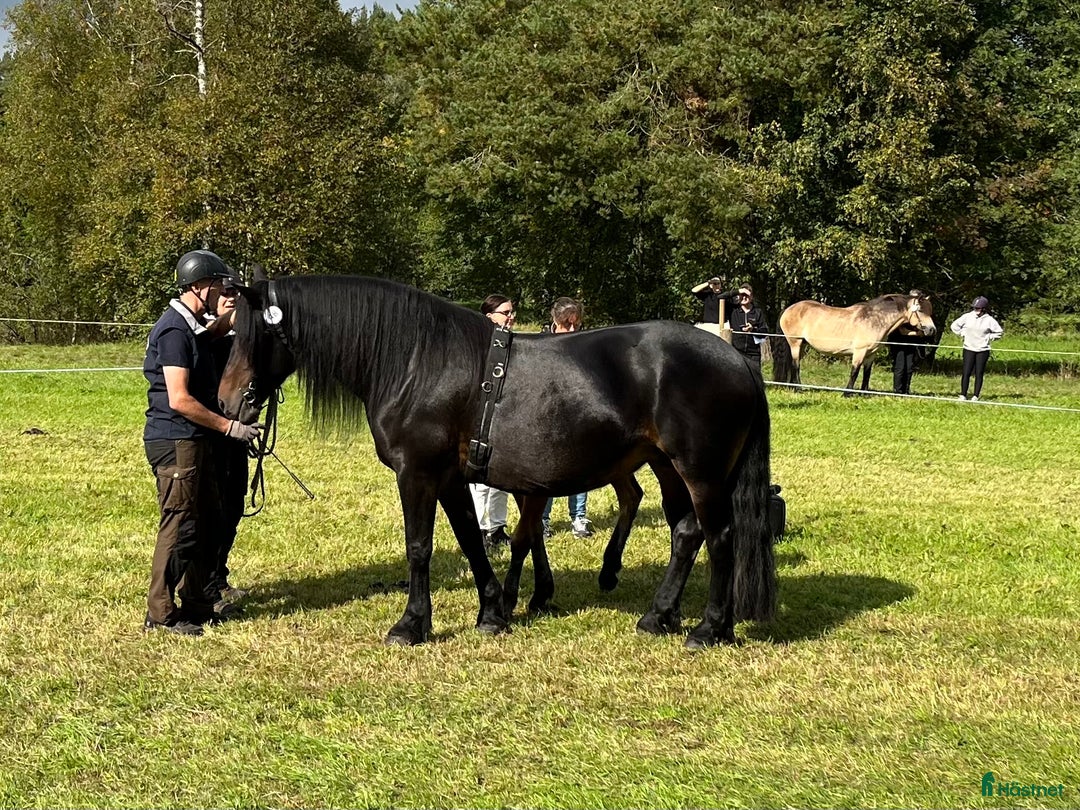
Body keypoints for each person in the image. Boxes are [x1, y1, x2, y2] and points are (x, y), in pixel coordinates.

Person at [142, 250, 261, 636]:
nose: (223, 290)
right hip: (177, 439)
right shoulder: (174, 331)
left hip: (193, 439)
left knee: (206, 521)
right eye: (218, 285)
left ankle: (197, 602)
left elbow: (211, 337)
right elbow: (179, 398)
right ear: (199, 286)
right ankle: (160, 614)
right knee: (179, 525)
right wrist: (229, 428)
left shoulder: (192, 325)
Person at [205, 271, 252, 612]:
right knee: (212, 509)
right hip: (211, 431)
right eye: (224, 294)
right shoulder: (204, 332)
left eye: (235, 294)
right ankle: (206, 584)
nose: (230, 298)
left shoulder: (242, 337)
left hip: (236, 431)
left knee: (234, 504)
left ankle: (219, 575)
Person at [541, 297, 592, 539]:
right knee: (546, 470)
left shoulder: (584, 345)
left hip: (577, 414)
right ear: (555, 321)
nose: (572, 330)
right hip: (547, 415)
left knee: (581, 467)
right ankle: (542, 519)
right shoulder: (541, 345)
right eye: (566, 324)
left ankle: (579, 518)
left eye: (576, 325)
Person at [470, 294, 516, 553]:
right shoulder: (479, 344)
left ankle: (497, 529)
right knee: (480, 481)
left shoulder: (514, 341)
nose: (510, 317)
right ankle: (479, 531)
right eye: (505, 313)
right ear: (490, 317)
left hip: (507, 414)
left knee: (501, 481)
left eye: (512, 313)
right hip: (482, 416)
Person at [951, 295, 1004, 401]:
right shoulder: (967, 317)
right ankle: (963, 394)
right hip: (968, 348)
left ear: (984, 309)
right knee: (966, 372)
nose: (976, 311)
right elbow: (954, 326)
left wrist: (989, 337)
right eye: (975, 308)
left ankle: (976, 395)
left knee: (979, 373)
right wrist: (962, 333)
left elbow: (999, 332)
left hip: (983, 350)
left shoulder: (989, 320)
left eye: (979, 308)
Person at [888, 289, 928, 395]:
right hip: (899, 341)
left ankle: (906, 390)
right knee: (900, 367)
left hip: (911, 342)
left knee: (909, 367)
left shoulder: (919, 312)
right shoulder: (902, 310)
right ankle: (897, 390)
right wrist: (918, 333)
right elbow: (902, 331)